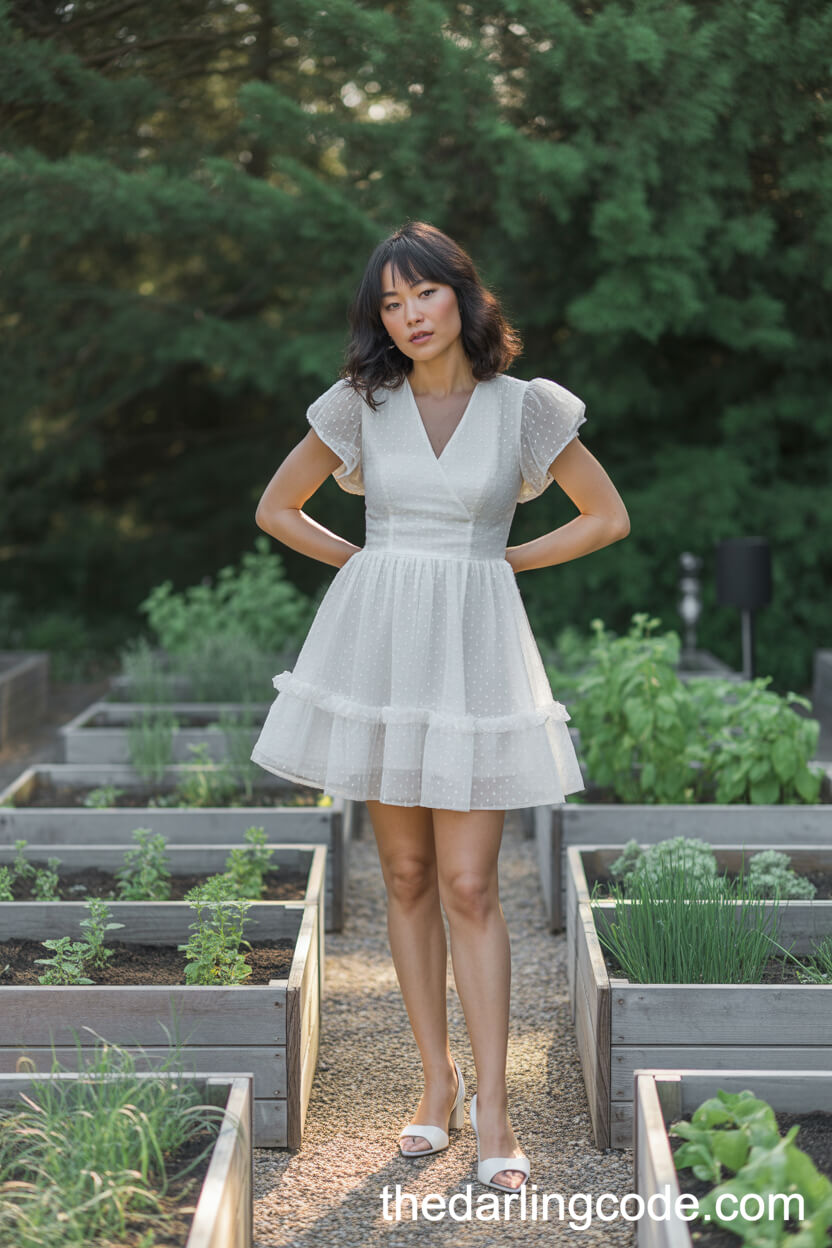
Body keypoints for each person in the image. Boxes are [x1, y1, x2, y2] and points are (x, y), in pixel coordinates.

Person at [251, 220, 630, 1192]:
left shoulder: (525, 407)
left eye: (422, 292)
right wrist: (368, 568)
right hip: (381, 653)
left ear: (461, 294)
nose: (408, 314)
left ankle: (496, 1105)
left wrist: (502, 561)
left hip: (474, 652)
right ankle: (436, 1085)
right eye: (389, 301)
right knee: (408, 875)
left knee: (469, 883)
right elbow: (277, 507)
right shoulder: (358, 404)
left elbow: (606, 516)